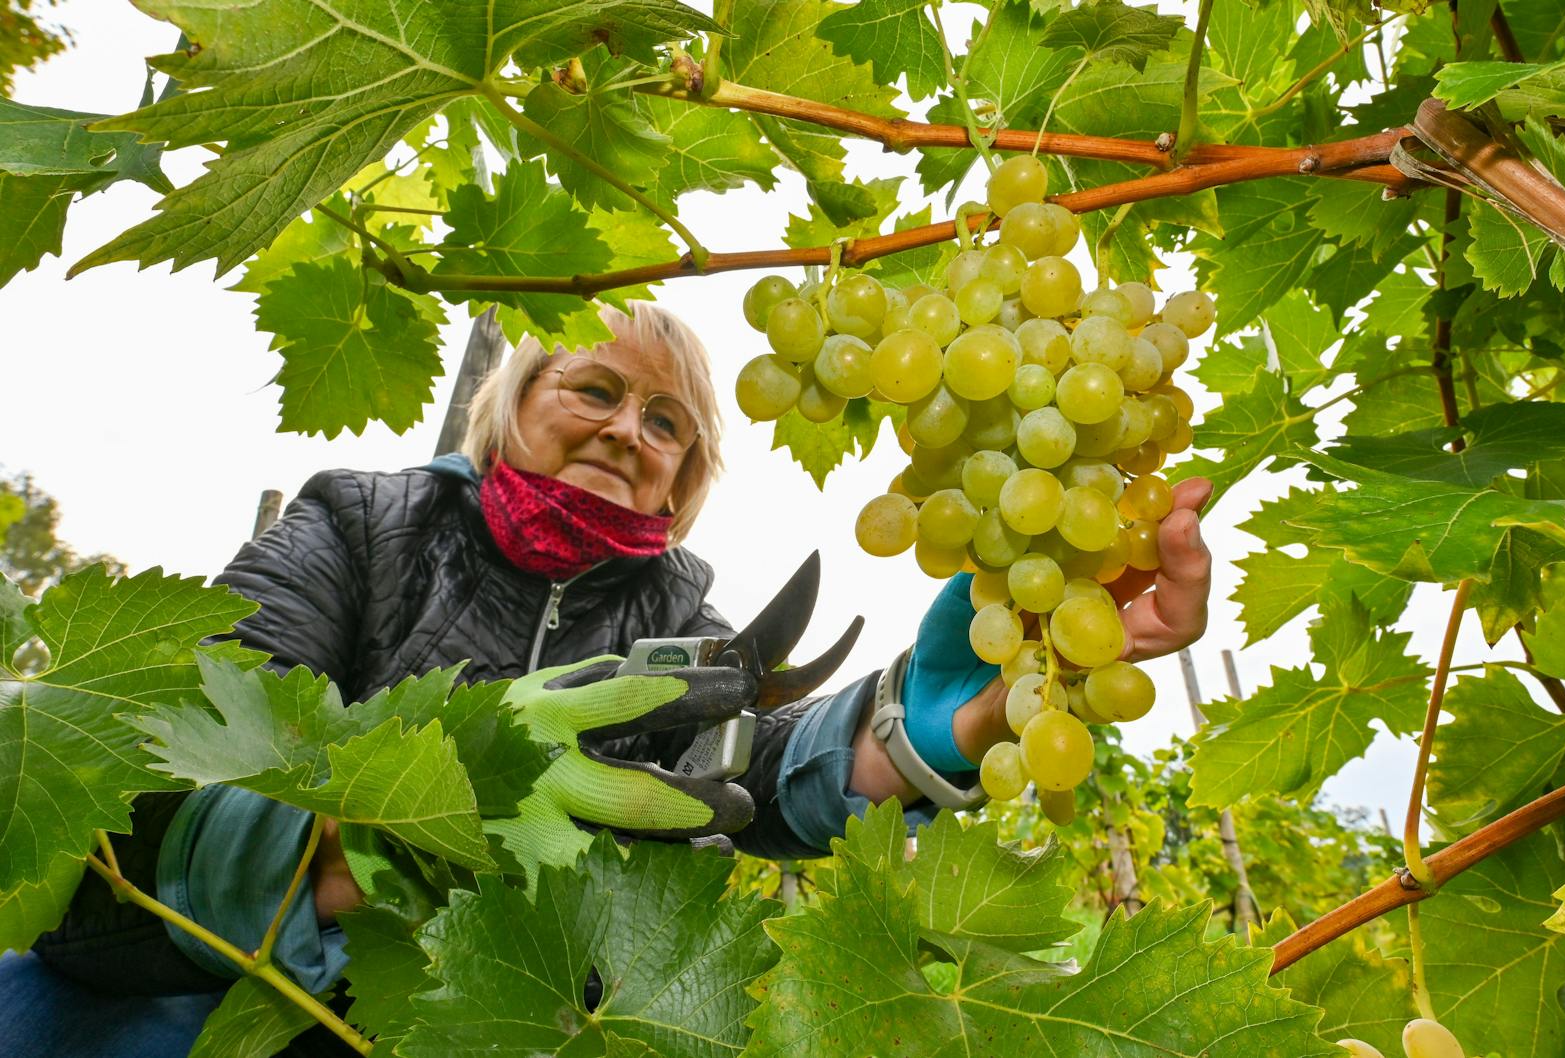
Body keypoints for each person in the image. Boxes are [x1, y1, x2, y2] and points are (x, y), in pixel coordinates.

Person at [5, 303, 1212, 1055]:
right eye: (595, 387)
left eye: (668, 421)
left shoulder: (684, 619)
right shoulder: (358, 524)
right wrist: (408, 825)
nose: (629, 428)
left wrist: (961, 714)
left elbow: (761, 781)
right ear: (510, 398)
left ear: (684, 477)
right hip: (181, 999)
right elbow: (173, 759)